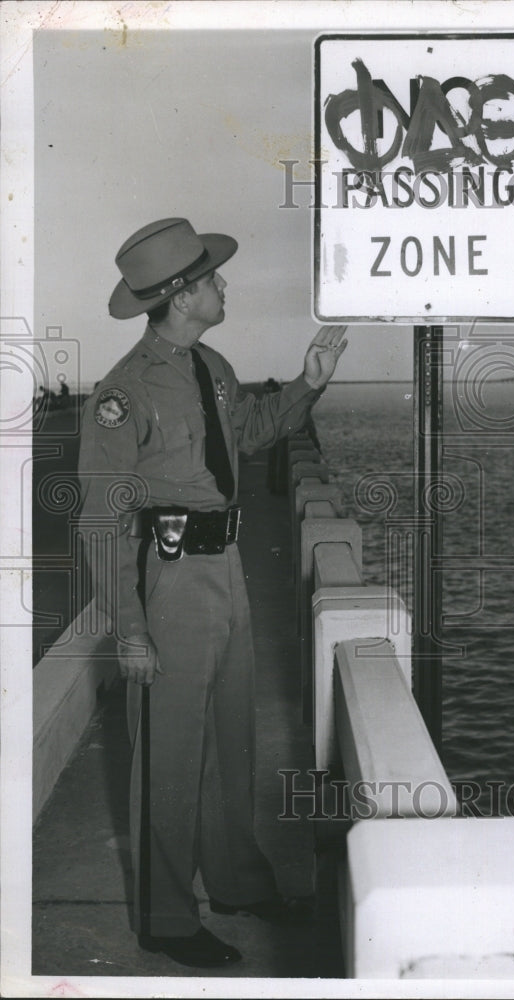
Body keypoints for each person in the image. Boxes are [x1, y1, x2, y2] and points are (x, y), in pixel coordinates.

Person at [77, 217, 347, 969]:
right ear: (181, 295)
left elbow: (251, 434)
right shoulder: (123, 395)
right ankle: (165, 917)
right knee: (170, 754)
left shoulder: (213, 366)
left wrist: (307, 385)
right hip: (171, 582)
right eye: (212, 279)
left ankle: (234, 881)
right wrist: (129, 629)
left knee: (232, 740)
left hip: (225, 569)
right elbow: (102, 519)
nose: (224, 285)